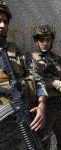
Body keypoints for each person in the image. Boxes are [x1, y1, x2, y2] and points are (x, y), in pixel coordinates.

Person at [0, 1, 47, 149]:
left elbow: (38, 80)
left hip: (24, 126)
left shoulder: (19, 53)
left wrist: (42, 105)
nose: (2, 25)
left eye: (5, 22)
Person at [32, 24, 61, 150]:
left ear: (52, 40)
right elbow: (33, 83)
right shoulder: (32, 59)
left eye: (48, 39)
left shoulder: (57, 59)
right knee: (43, 143)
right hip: (45, 106)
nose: (45, 43)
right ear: (36, 42)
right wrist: (53, 83)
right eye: (41, 40)